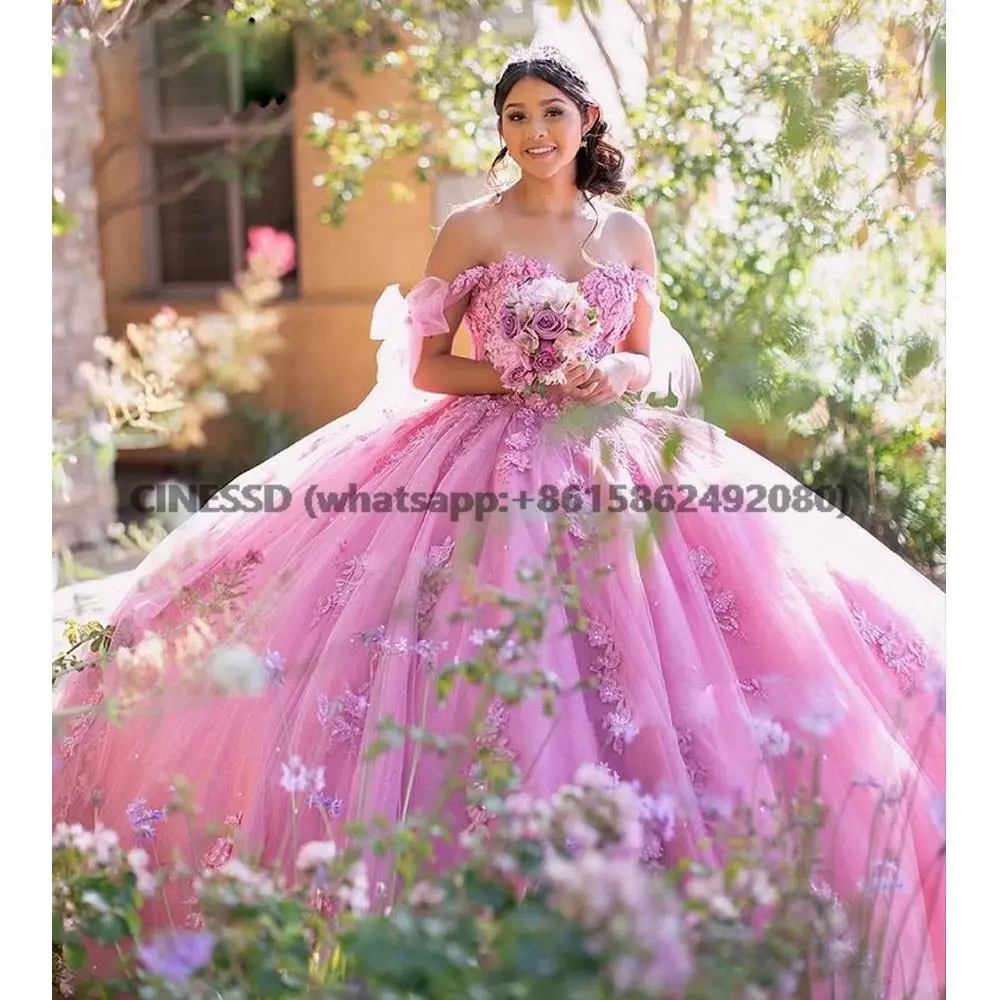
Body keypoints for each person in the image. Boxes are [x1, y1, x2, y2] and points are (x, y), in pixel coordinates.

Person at [53, 44, 944, 997]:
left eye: (552, 114)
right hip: (481, 455)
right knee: (464, 649)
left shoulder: (627, 233)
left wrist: (618, 375)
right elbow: (427, 365)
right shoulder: (471, 229)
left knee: (658, 644)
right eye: (515, 117)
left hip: (610, 453)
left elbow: (648, 358)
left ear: (588, 120)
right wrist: (521, 374)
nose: (534, 134)